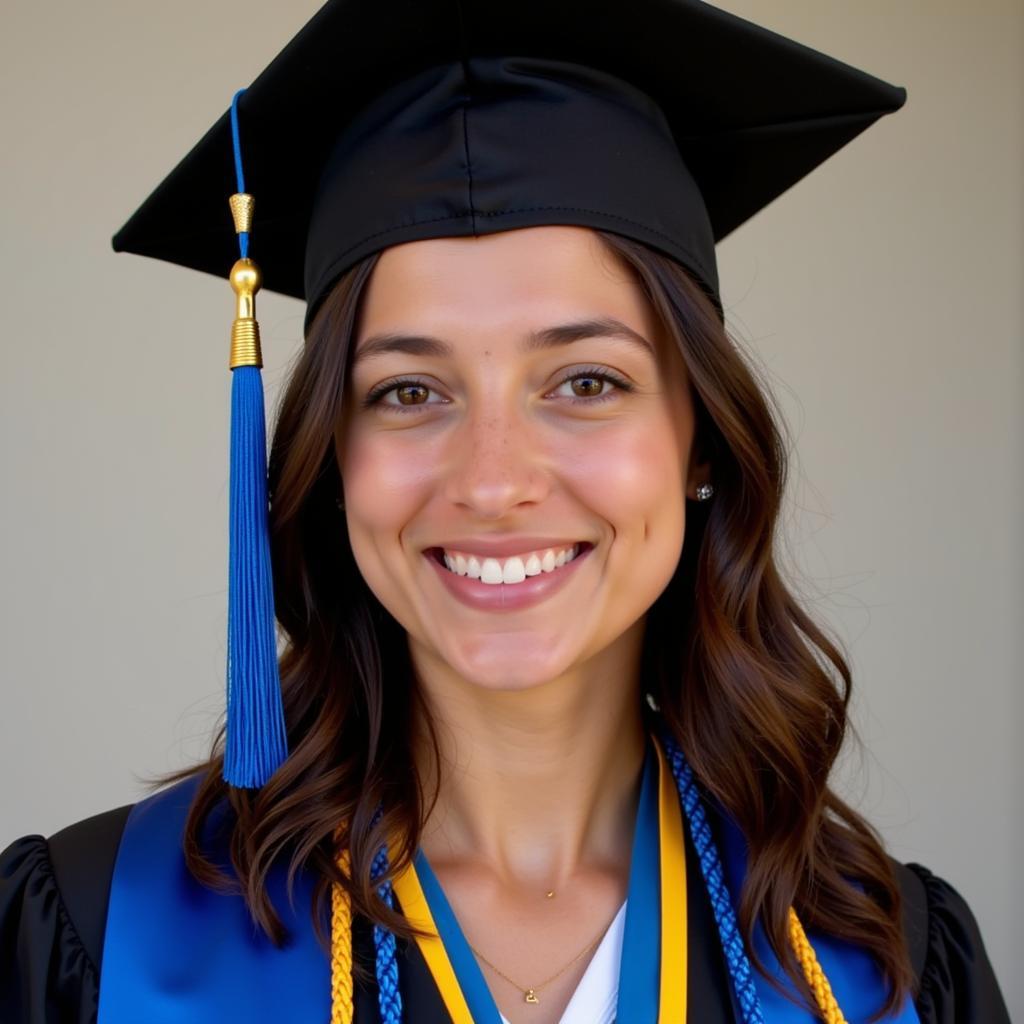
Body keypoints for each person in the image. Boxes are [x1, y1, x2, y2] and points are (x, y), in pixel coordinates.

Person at [0, 1, 1012, 1022]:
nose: (492, 481)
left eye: (583, 381)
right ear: (330, 458)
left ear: (698, 440)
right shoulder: (98, 933)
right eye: (408, 391)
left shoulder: (876, 965)